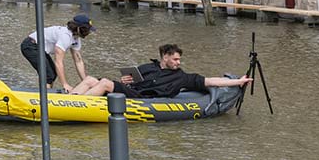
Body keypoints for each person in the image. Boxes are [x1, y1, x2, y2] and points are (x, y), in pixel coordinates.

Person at [71, 44, 253, 97]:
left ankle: (77, 105)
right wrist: (127, 80)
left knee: (104, 83)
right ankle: (68, 100)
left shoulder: (182, 77)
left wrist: (238, 81)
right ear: (165, 57)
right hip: (133, 89)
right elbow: (130, 78)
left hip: (143, 98)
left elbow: (211, 81)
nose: (178, 62)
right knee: (90, 79)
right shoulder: (148, 67)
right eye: (175, 59)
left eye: (179, 59)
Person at [20, 14, 94, 93]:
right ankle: (45, 98)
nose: (89, 32)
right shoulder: (65, 36)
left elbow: (78, 61)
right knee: (48, 75)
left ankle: (48, 93)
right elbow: (58, 62)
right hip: (31, 46)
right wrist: (65, 84)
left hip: (40, 48)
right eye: (87, 30)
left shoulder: (75, 39)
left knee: (52, 74)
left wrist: (85, 82)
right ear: (79, 28)